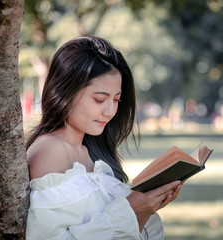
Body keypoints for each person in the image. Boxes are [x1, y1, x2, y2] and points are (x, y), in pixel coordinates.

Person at [25, 36, 182, 240]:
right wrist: (131, 212)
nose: (110, 111)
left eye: (116, 99)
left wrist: (144, 208)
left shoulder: (92, 150)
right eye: (99, 99)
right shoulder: (50, 151)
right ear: (65, 92)